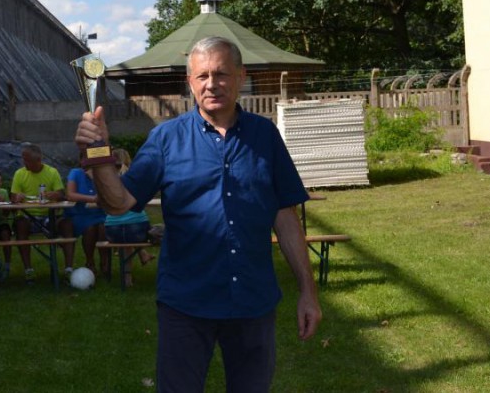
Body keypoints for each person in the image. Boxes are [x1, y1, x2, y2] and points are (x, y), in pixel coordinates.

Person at [75, 36, 321, 392]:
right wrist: (98, 154)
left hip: (253, 303)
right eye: (202, 75)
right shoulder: (165, 139)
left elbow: (286, 218)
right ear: (190, 82)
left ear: (240, 76)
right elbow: (119, 203)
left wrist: (307, 292)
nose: (212, 83)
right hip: (186, 305)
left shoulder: (265, 136)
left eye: (221, 73)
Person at [9, 144, 73, 283]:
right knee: (20, 224)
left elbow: (62, 195)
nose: (24, 163)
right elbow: (13, 197)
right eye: (23, 159)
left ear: (38, 161)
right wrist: (16, 198)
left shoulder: (52, 172)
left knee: (67, 225)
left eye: (27, 160)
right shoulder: (20, 173)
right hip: (28, 216)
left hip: (49, 216)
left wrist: (55, 194)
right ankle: (28, 270)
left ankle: (69, 268)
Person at [103, 149, 153, 287]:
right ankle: (141, 258)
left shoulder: (106, 179)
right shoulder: (135, 178)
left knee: (125, 239)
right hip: (137, 229)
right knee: (137, 226)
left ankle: (128, 277)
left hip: (112, 230)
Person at [64, 164, 108, 276]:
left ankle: (105, 262)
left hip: (99, 213)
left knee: (104, 227)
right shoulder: (75, 173)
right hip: (80, 213)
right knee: (90, 228)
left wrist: (95, 179)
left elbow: (110, 194)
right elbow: (70, 195)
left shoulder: (102, 174)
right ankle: (90, 261)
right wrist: (92, 199)